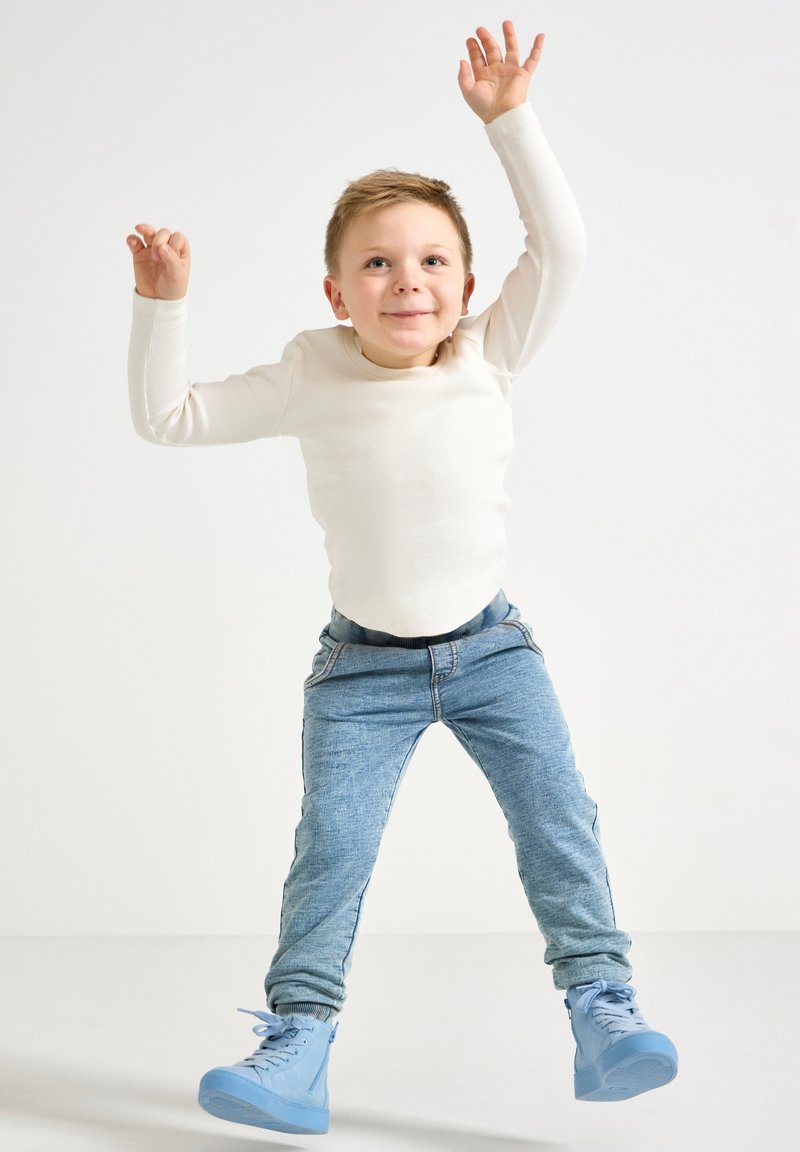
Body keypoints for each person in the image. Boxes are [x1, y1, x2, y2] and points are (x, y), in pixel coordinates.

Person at [126, 19, 678, 1136]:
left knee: (558, 818)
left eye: (430, 262)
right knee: (329, 850)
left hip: (491, 652)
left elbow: (562, 251)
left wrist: (507, 123)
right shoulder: (309, 371)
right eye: (376, 263)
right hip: (359, 671)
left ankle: (601, 1008)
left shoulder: (489, 351)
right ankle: (297, 1047)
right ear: (336, 292)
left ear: (467, 283)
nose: (406, 282)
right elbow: (166, 418)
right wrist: (163, 301)